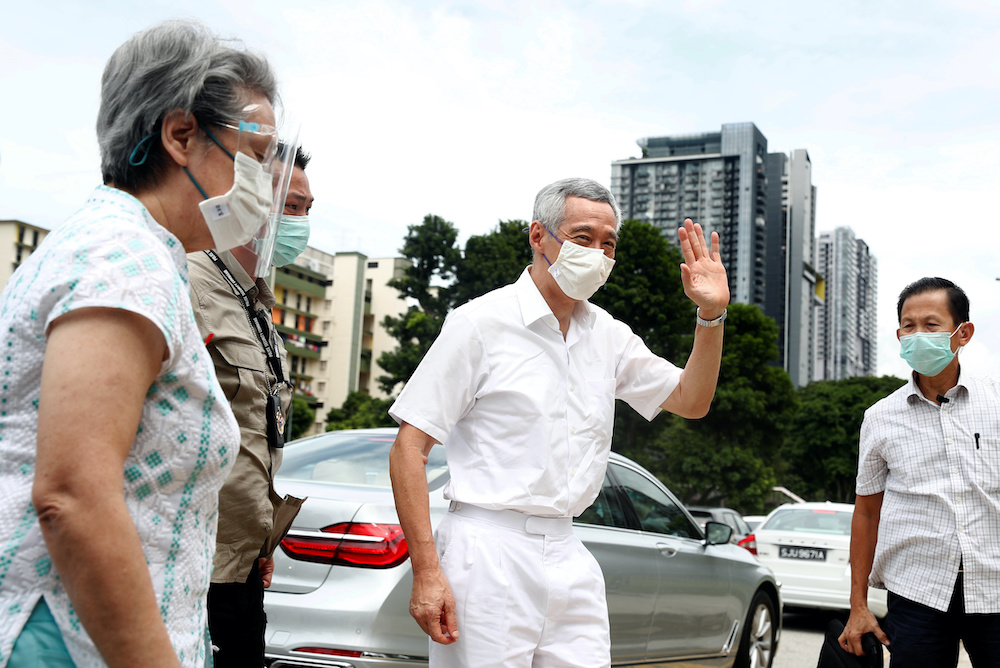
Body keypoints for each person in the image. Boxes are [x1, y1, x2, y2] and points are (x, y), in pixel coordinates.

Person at [0, 20, 292, 667]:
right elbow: (72, 493)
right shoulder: (123, 256)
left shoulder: (143, 253)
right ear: (181, 135)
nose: (266, 184)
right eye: (255, 153)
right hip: (68, 641)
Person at [388, 177, 730, 667]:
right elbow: (409, 448)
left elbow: (691, 400)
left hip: (569, 549)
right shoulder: (480, 323)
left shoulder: (607, 335)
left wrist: (711, 315)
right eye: (582, 238)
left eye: (608, 243)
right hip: (487, 550)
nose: (598, 253)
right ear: (538, 237)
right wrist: (427, 572)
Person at [189, 146, 314, 667]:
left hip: (239, 569)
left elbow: (254, 436)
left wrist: (260, 541)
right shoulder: (189, 281)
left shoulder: (256, 302)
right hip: (187, 566)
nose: (300, 222)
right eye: (291, 205)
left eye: (308, 209)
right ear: (244, 196)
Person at [839, 277, 1000, 666]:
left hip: (995, 587)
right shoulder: (880, 418)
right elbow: (866, 513)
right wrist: (857, 604)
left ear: (963, 333)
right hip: (917, 593)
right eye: (909, 326)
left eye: (931, 325)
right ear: (898, 335)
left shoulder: (996, 402)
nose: (918, 334)